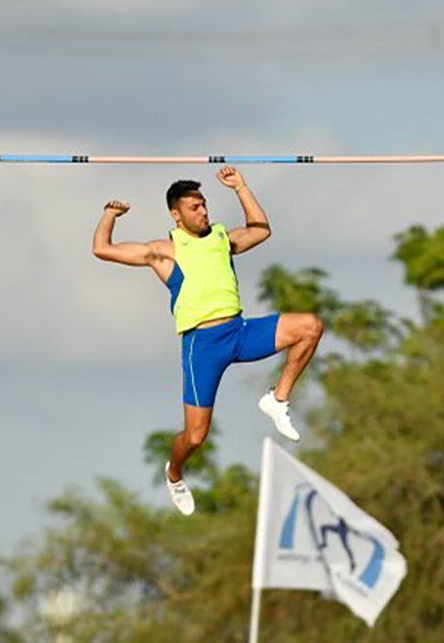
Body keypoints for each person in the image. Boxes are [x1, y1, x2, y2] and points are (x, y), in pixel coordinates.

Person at [92, 167, 324, 515]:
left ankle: (278, 400)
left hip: (240, 332)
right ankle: (174, 473)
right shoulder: (164, 250)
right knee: (196, 437)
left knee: (310, 326)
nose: (203, 212)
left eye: (204, 205)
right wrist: (110, 215)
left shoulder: (221, 239)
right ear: (176, 214)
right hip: (203, 347)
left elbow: (262, 230)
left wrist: (241, 188)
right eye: (195, 207)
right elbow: (102, 249)